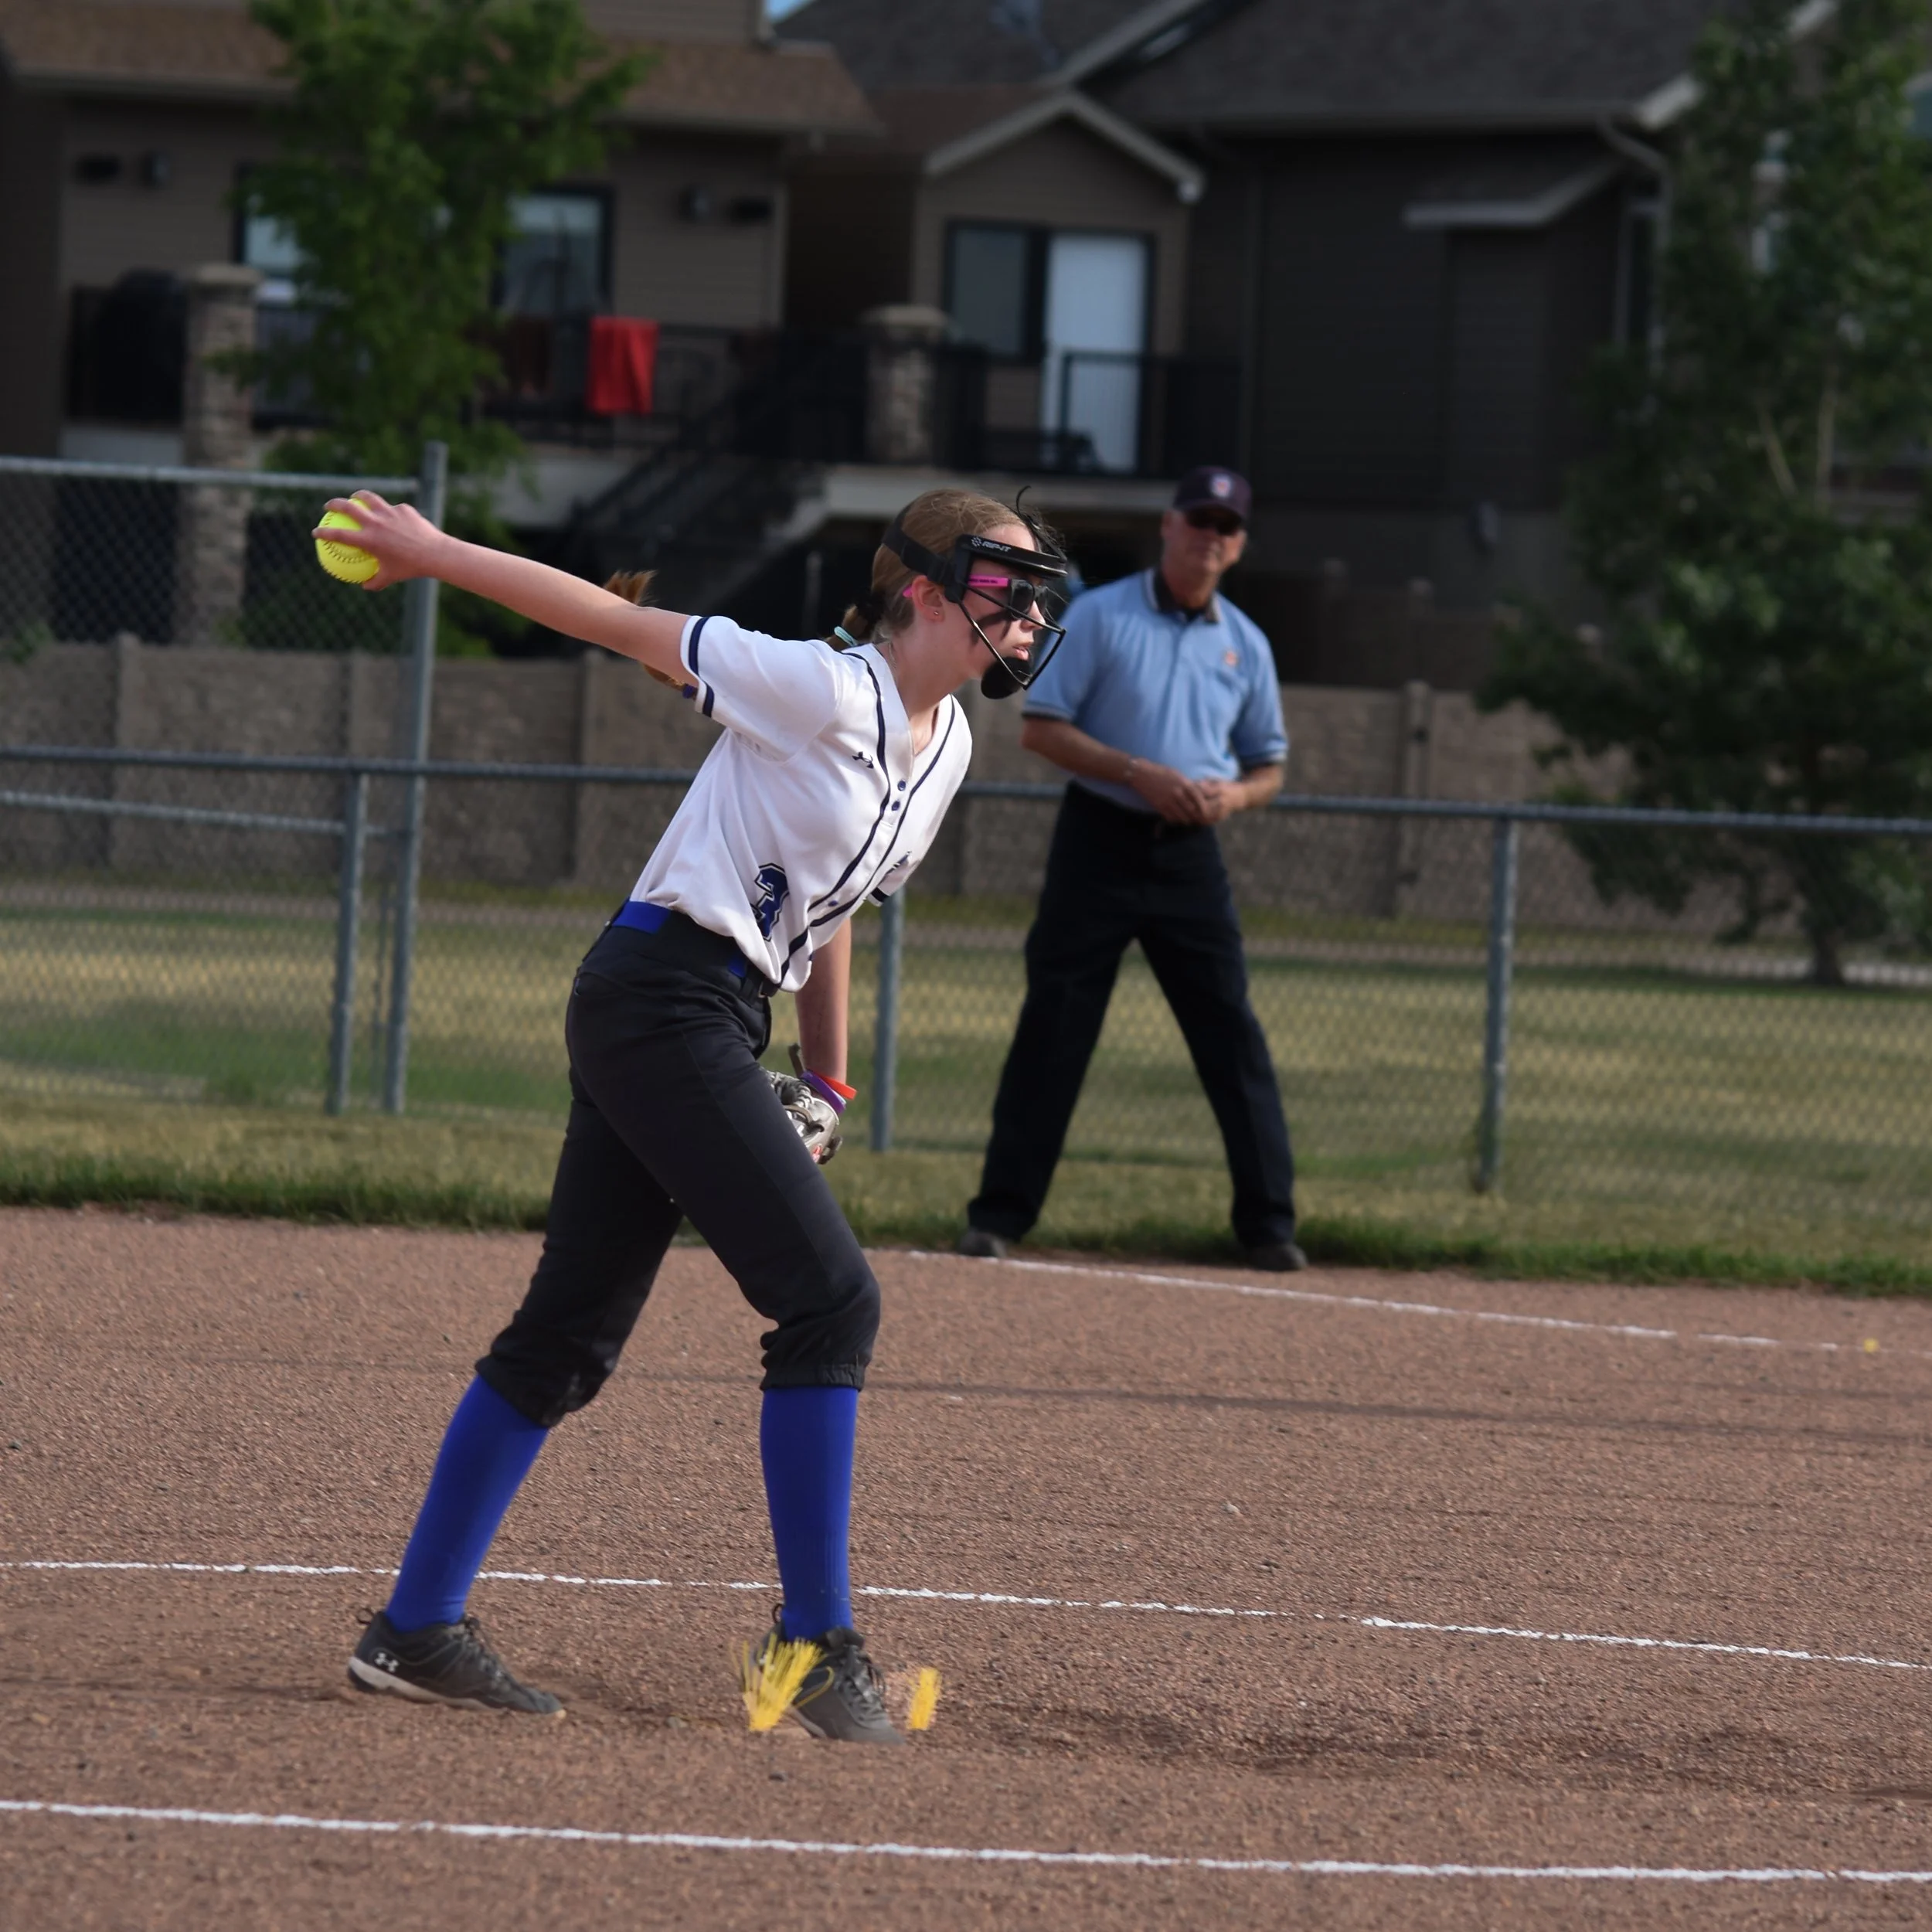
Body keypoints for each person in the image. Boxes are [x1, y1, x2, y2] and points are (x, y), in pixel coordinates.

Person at [315, 485, 1068, 1740]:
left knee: (567, 1338)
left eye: (1039, 590)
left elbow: (828, 917)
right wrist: (431, 552)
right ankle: (815, 1647)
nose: (1033, 610)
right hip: (659, 997)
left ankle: (414, 1630)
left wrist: (827, 1083)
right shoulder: (826, 687)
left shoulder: (946, 750)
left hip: (704, 1016)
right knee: (831, 1300)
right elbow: (625, 631)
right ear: (926, 591)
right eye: (1009, 583)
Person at [961, 466, 1306, 1272]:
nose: (1208, 536)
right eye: (1197, 519)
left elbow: (1269, 769)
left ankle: (1268, 1225)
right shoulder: (1103, 615)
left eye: (1225, 525)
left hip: (1191, 857)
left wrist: (1234, 798)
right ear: (1169, 525)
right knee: (1054, 1030)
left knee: (1230, 1034)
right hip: (1100, 842)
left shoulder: (1245, 643)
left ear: (1239, 543)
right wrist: (1134, 772)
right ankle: (998, 1215)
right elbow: (1041, 730)